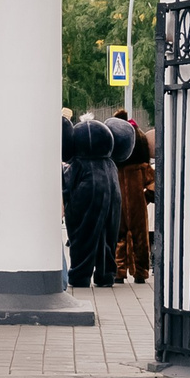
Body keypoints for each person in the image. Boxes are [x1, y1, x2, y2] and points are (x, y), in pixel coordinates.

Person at [61, 111, 134, 289]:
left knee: (83, 236)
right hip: (112, 200)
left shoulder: (78, 163)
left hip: (83, 201)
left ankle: (80, 275)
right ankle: (106, 274)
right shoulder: (109, 164)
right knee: (108, 235)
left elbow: (66, 184)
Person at [112, 110, 154, 285]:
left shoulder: (117, 169)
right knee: (140, 239)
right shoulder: (142, 168)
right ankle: (138, 271)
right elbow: (153, 185)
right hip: (137, 206)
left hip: (118, 205)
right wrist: (146, 197)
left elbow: (153, 186)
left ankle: (120, 271)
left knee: (119, 238)